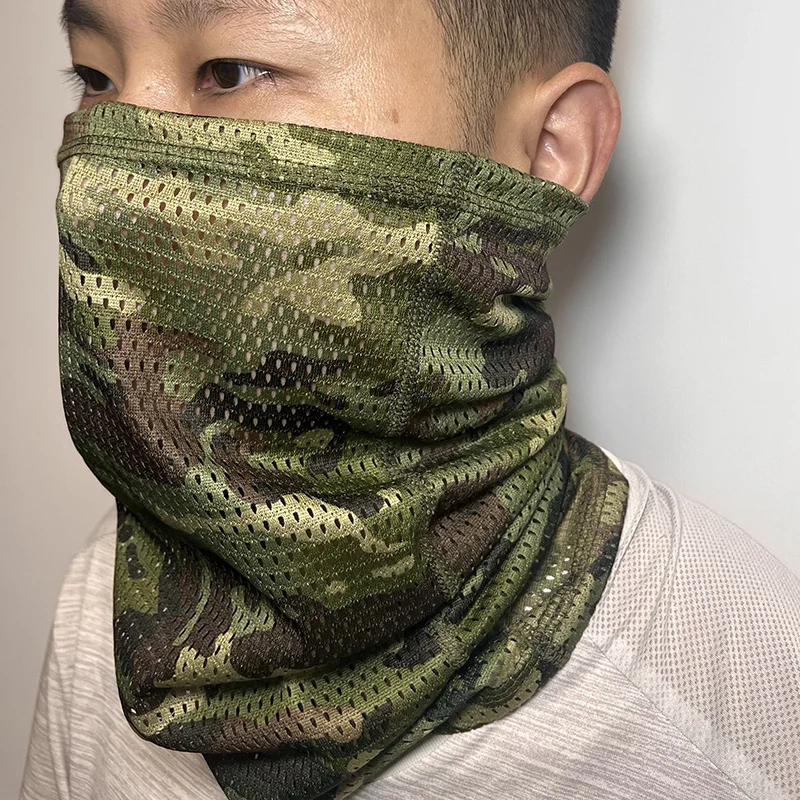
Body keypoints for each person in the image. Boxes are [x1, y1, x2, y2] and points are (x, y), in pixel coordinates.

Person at [19, 0, 800, 799]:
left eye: (230, 72)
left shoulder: (728, 690)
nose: (102, 185)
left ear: (550, 148)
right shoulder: (105, 598)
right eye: (96, 78)